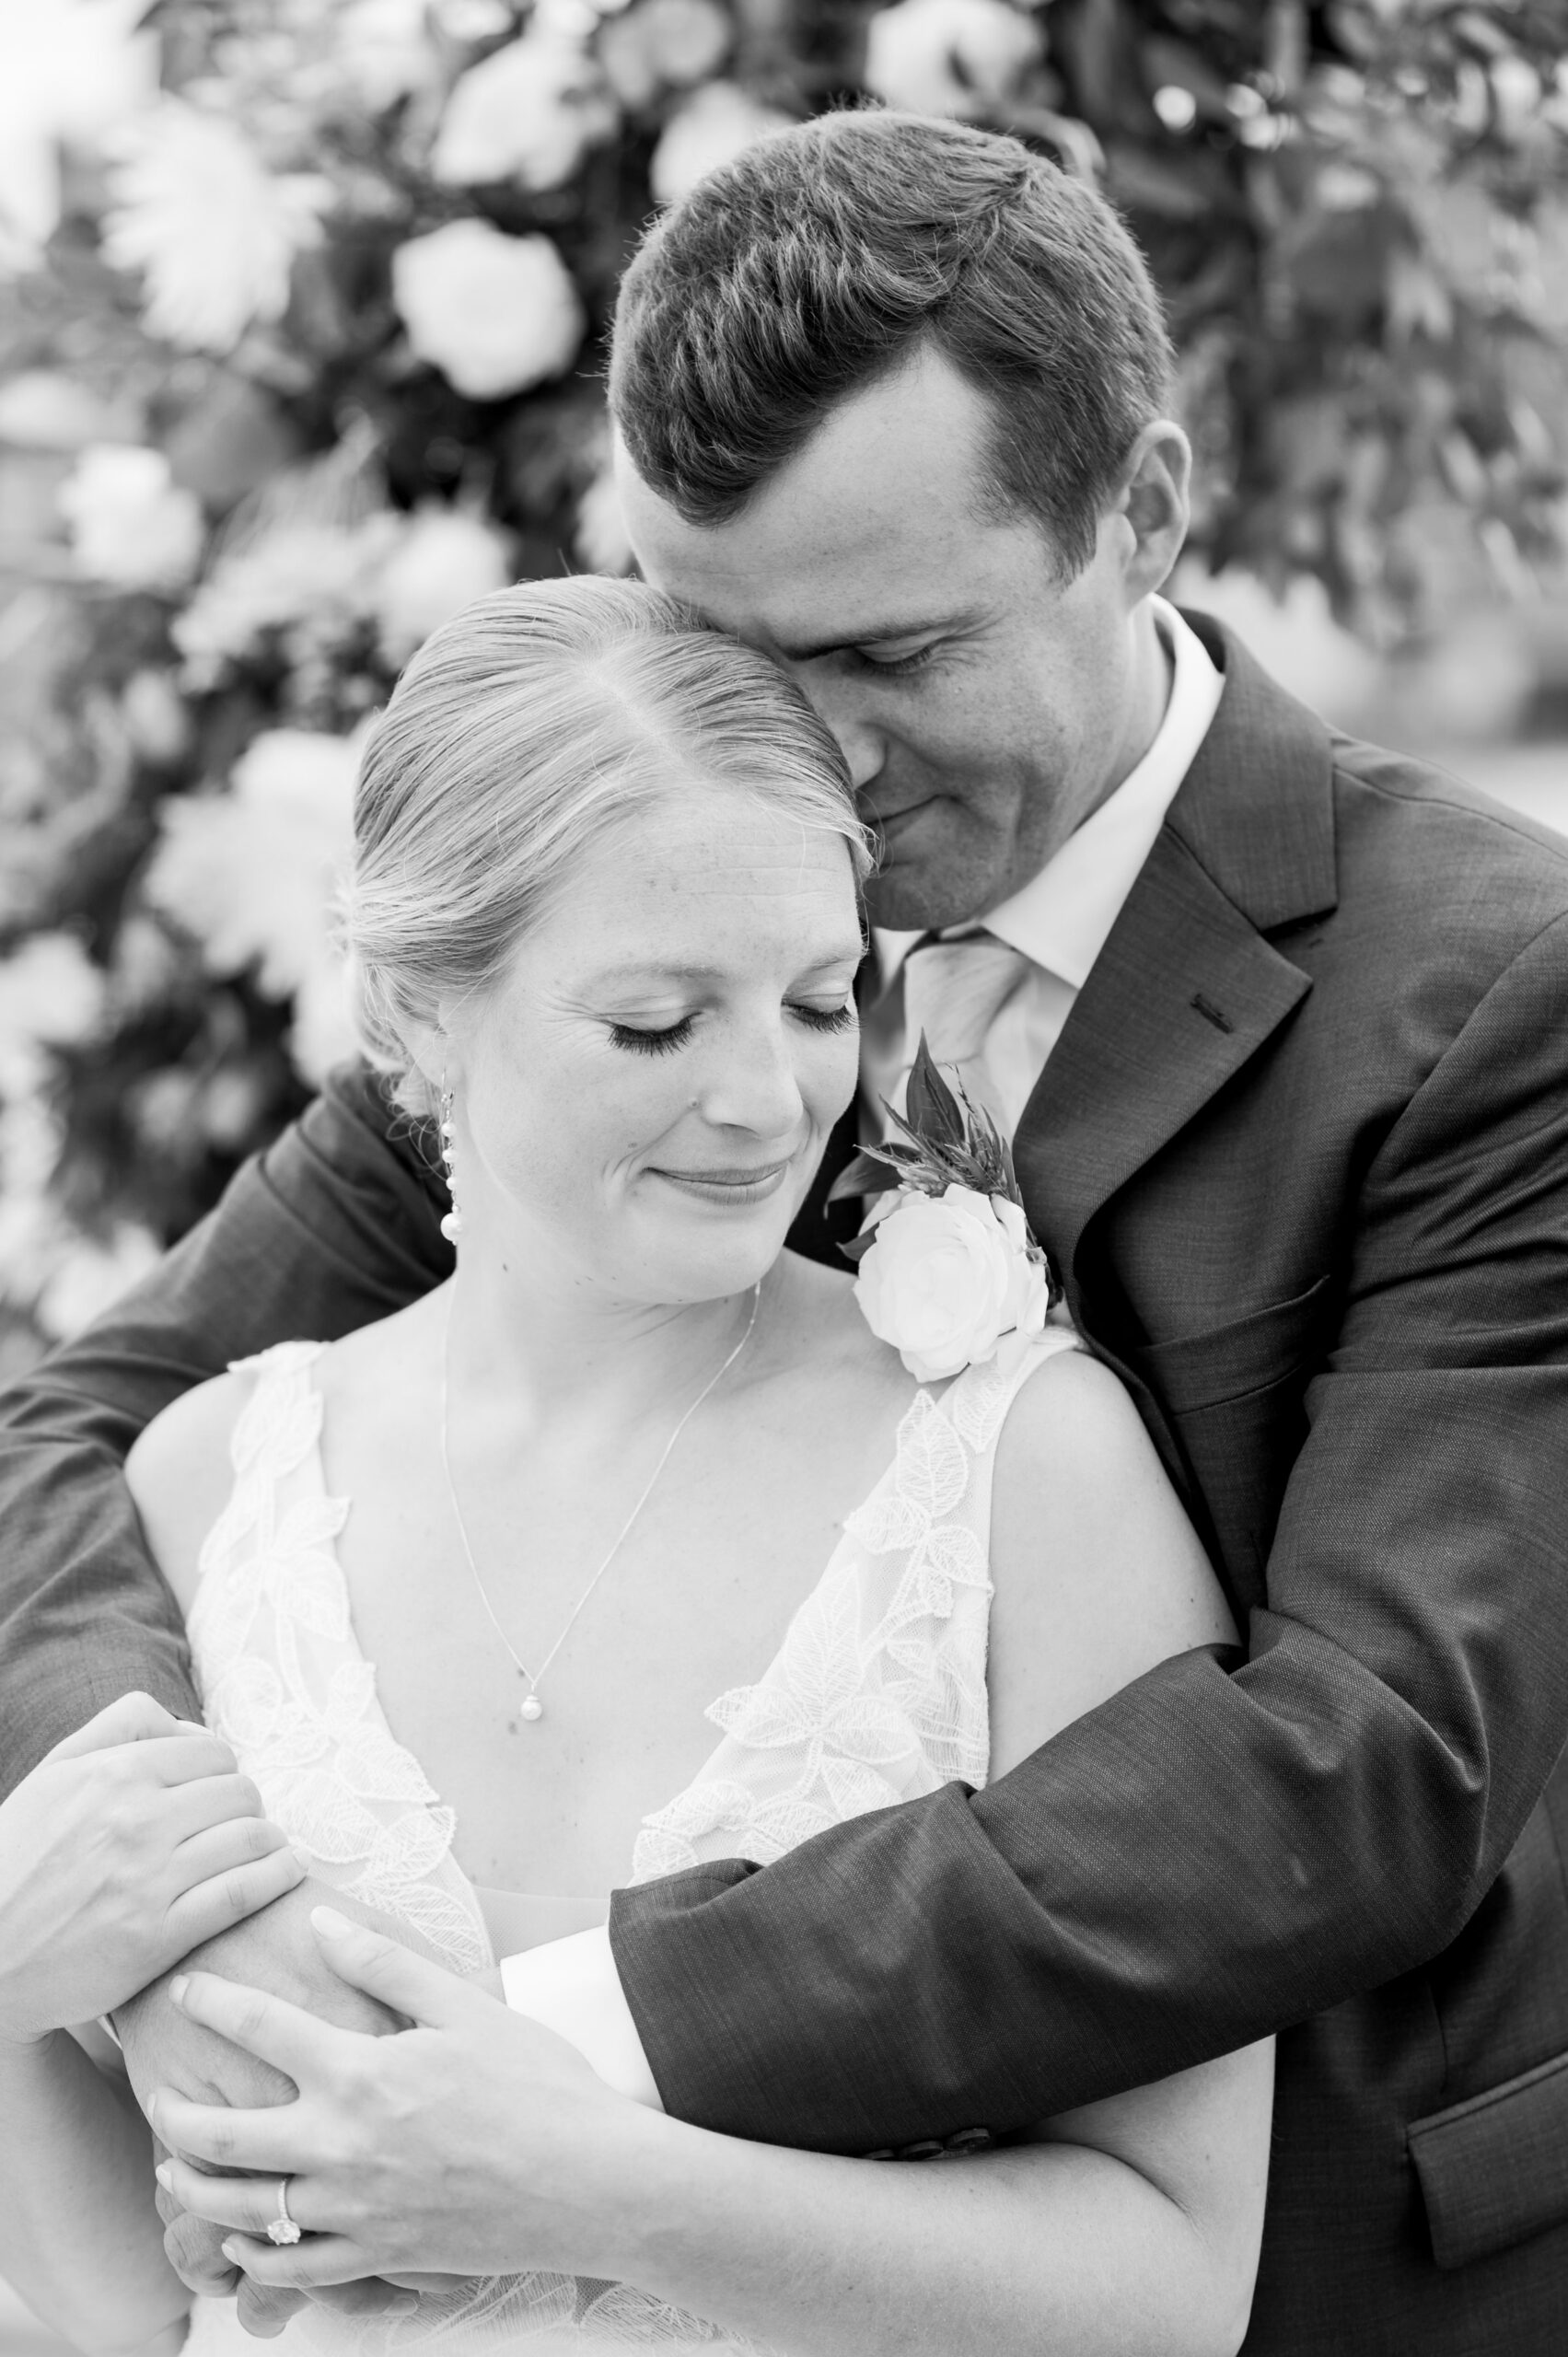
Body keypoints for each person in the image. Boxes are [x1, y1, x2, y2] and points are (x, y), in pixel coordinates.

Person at [2, 106, 1568, 2352]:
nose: (807, 761)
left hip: (1331, 2262)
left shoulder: (1498, 988)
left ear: (1144, 512)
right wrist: (177, 1913)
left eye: (894, 652)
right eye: (726, 646)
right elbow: (85, 1430)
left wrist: (568, 2052)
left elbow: (1372, 1754)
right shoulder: (642, 919)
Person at [0, 576, 1272, 2357]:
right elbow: (140, 2315)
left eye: (821, 1001)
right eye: (658, 1025)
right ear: (418, 1012)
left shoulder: (1022, 1473)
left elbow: (1175, 2282)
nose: (769, 1101)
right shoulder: (216, 1484)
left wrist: (585, 2185)